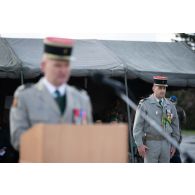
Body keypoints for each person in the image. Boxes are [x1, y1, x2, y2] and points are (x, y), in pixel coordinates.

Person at [10, 37, 93, 151]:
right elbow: (17, 138)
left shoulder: (81, 98)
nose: (63, 70)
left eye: (66, 65)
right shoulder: (25, 96)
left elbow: (88, 136)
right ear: (44, 66)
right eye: (57, 65)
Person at [133, 76, 180, 163]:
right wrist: (139, 144)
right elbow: (137, 126)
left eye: (164, 88)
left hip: (166, 144)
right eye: (160, 88)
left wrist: (174, 144)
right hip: (151, 144)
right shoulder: (145, 104)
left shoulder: (170, 105)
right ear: (154, 88)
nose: (162, 90)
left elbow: (175, 126)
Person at [169, 95, 186, 163]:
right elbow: (184, 120)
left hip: (169, 135)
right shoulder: (181, 110)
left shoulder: (167, 109)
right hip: (178, 134)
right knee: (176, 151)